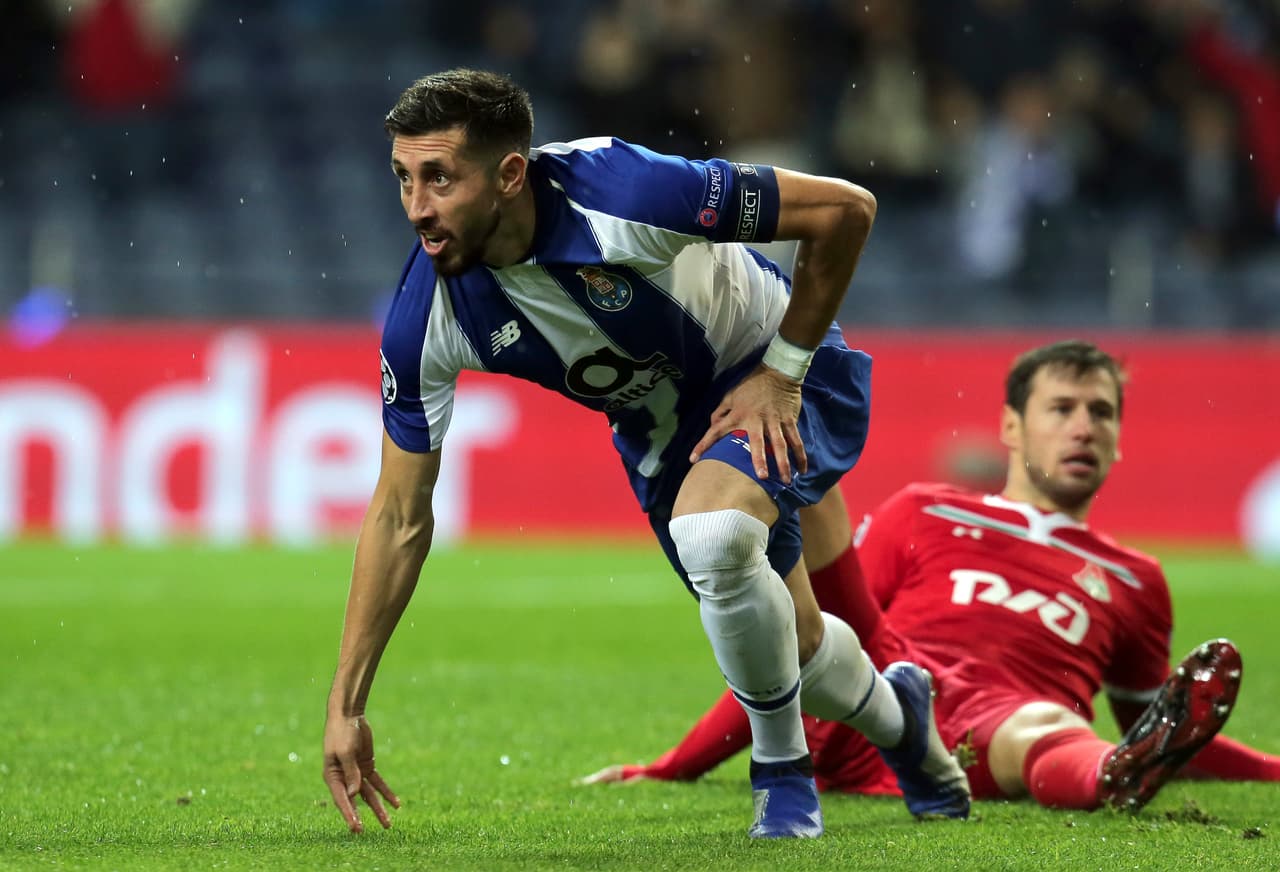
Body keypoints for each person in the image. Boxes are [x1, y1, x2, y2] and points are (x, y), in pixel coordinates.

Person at [321, 68, 971, 839]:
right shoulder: (426, 311)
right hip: (666, 437)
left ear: (508, 174)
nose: (417, 209)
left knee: (713, 534)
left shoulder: (625, 191)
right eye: (403, 178)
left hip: (776, 366)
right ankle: (906, 722)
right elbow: (399, 514)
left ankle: (782, 773)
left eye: (439, 178)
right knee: (791, 640)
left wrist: (782, 372)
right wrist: (346, 705)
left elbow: (844, 210)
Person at [581, 340, 1280, 810]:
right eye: (1061, 409)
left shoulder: (1135, 579)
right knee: (814, 497)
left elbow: (1155, 726)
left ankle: (1105, 777)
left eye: (1101, 413)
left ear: (1121, 439)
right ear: (1011, 427)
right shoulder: (924, 512)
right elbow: (804, 632)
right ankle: (1087, 770)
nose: (1083, 429)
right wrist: (675, 765)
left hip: (989, 733)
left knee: (1042, 722)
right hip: (884, 689)